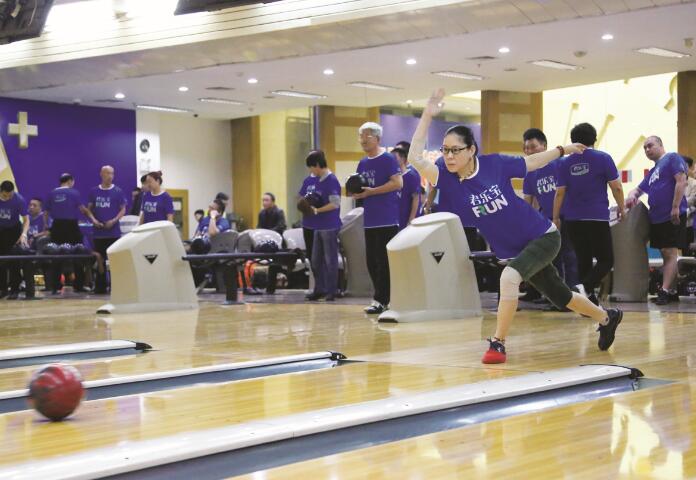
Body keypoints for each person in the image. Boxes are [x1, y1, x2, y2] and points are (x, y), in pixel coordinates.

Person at [408, 89, 622, 364]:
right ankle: (607, 318)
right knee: (562, 297)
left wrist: (562, 150)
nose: (449, 156)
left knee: (509, 278)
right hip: (513, 250)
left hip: (542, 236)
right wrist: (427, 114)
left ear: (471, 150)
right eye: (445, 150)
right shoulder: (445, 177)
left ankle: (498, 343)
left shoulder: (494, 164)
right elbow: (415, 158)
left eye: (455, 150)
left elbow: (531, 162)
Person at [552, 122, 625, 306]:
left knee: (583, 260)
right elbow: (616, 186)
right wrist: (622, 208)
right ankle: (584, 287)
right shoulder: (603, 158)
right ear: (595, 139)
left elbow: (559, 193)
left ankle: (588, 305)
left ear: (573, 141)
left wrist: (555, 217)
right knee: (606, 260)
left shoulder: (564, 163)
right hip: (597, 217)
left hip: (573, 220)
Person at [625, 137, 688, 305]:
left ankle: (664, 291)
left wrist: (675, 207)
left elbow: (681, 181)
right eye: (644, 148)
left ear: (660, 145)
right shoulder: (653, 172)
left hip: (671, 215)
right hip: (657, 218)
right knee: (665, 254)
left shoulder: (672, 158)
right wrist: (631, 195)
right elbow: (638, 189)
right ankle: (672, 291)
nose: (647, 150)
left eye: (650, 146)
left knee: (669, 252)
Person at [521, 128, 579, 306]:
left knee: (569, 255)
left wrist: (557, 217)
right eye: (526, 148)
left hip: (567, 217)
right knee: (552, 258)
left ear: (544, 146)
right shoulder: (529, 173)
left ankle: (573, 297)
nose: (529, 151)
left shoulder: (560, 164)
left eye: (533, 146)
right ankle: (555, 297)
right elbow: (528, 202)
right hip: (547, 222)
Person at [351, 122, 403, 314]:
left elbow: (398, 183)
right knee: (371, 261)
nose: (363, 140)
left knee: (384, 262)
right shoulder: (362, 163)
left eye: (367, 136)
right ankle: (380, 298)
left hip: (387, 219)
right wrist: (357, 193)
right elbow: (360, 186)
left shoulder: (388, 159)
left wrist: (372, 192)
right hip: (370, 220)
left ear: (378, 138)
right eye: (361, 136)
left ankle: (382, 300)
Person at [301, 150, 342, 301]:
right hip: (317, 226)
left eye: (312, 168)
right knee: (315, 260)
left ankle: (332, 290)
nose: (311, 171)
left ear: (318, 165)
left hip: (329, 225)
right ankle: (320, 288)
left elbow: (335, 204)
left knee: (330, 260)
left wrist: (317, 210)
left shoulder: (331, 180)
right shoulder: (316, 180)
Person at [45, 173, 93, 293]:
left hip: (57, 226)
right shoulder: (74, 193)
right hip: (71, 226)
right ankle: (79, 285)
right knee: (78, 252)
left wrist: (47, 226)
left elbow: (45, 213)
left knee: (56, 254)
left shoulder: (52, 193)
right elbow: (83, 209)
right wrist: (94, 220)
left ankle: (55, 286)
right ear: (70, 181)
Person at [87, 165, 127, 294]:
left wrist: (113, 221)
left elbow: (123, 210)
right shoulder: (94, 191)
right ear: (101, 174)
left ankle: (116, 287)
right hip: (99, 233)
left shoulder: (118, 191)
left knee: (114, 261)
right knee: (100, 260)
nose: (110, 176)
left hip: (113, 233)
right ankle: (100, 286)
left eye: (112, 173)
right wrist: (94, 220)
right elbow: (89, 210)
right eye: (107, 173)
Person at [0, 181, 35, 300]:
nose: (8, 197)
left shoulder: (19, 200)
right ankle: (2, 289)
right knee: (1, 261)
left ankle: (14, 290)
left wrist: (23, 234)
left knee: (13, 261)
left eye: (10, 195)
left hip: (13, 231)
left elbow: (26, 220)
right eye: (5, 195)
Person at [393, 146, 422, 230]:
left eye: (394, 158)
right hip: (395, 219)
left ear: (402, 159)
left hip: (406, 219)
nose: (392, 160)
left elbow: (416, 198)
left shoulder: (411, 176)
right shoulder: (392, 178)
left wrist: (411, 220)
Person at [683, 156, 696, 253]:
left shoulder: (694, 183)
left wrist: (677, 203)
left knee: (689, 250)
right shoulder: (672, 182)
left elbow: (691, 201)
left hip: (689, 222)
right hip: (676, 222)